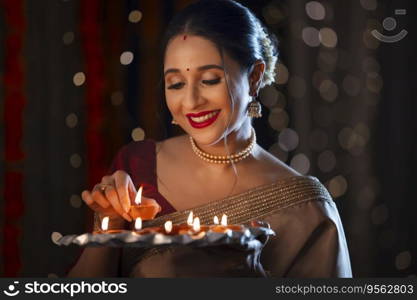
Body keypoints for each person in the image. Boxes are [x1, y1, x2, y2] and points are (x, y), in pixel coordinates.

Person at [68, 0, 352, 277]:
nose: (190, 101)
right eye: (176, 84)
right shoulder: (136, 167)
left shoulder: (306, 208)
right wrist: (109, 228)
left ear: (254, 77)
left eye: (210, 80)